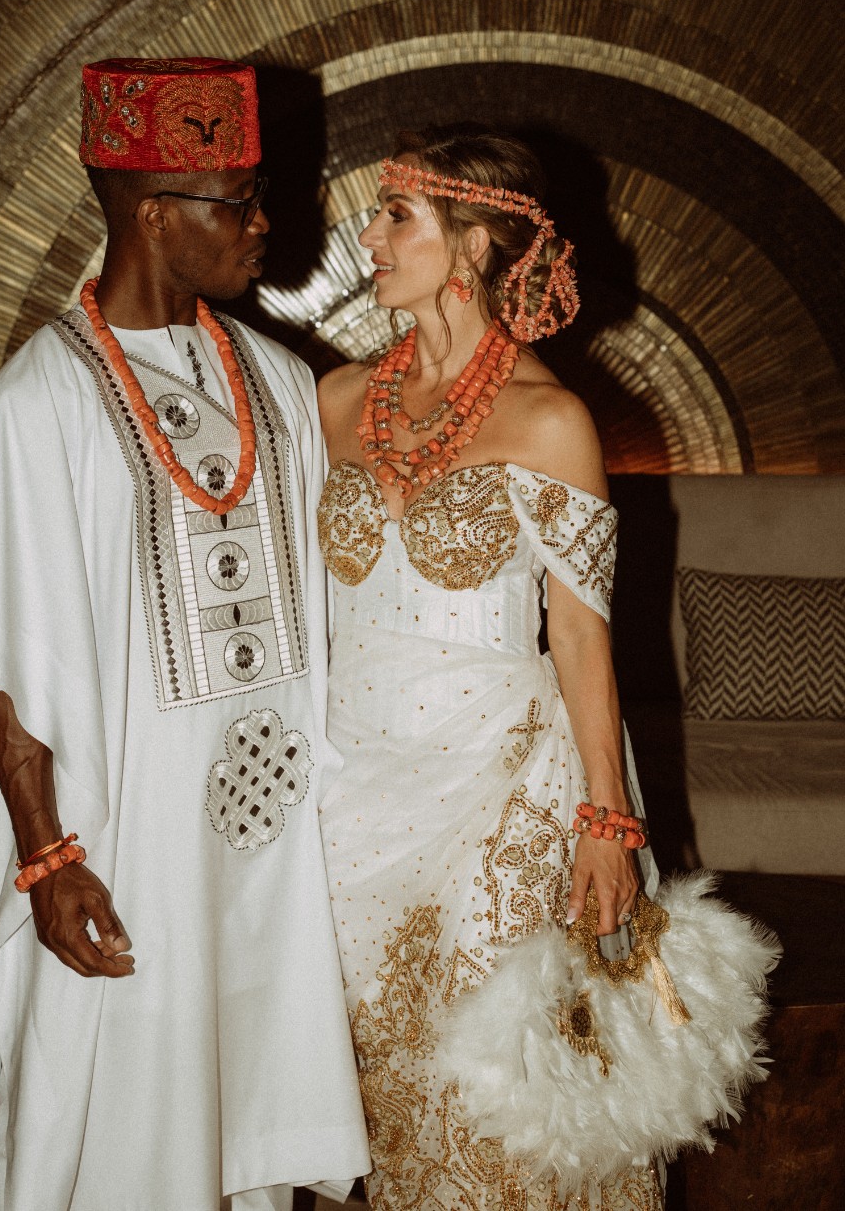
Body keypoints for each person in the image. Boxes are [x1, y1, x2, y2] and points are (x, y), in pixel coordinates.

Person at [0, 57, 370, 1211]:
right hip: (125, 833)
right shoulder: (36, 402)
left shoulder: (272, 375)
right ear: (156, 214)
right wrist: (47, 856)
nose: (266, 225)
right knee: (118, 1113)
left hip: (269, 827)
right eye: (240, 202)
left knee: (245, 1107)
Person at [315, 125, 663, 1208]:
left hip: (502, 789)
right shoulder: (332, 404)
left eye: (396, 217)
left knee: (497, 1090)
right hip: (349, 788)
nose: (366, 236)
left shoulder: (550, 421)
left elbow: (583, 633)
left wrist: (607, 819)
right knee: (378, 1080)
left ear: (471, 246)